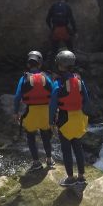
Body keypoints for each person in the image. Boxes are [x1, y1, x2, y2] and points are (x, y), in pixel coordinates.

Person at [49, 49, 90, 188]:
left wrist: (51, 122)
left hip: (64, 118)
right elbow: (87, 100)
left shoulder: (58, 83)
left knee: (66, 149)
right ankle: (81, 177)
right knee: (78, 147)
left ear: (60, 65)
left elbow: (53, 105)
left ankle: (71, 178)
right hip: (78, 117)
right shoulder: (79, 81)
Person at [13, 50, 55, 171]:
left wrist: (16, 112)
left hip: (31, 111)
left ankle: (36, 162)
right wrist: (55, 112)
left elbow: (17, 97)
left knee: (31, 137)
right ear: (40, 64)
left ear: (28, 64)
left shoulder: (24, 78)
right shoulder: (46, 77)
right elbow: (54, 94)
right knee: (45, 136)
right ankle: (49, 159)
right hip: (45, 112)